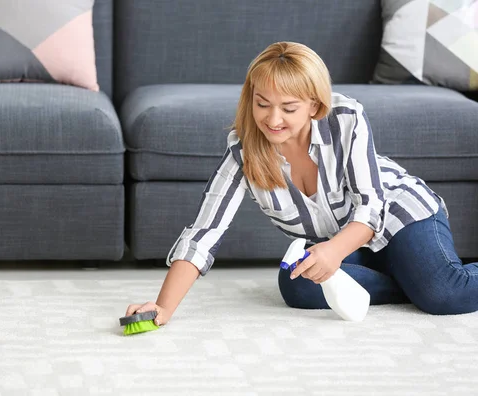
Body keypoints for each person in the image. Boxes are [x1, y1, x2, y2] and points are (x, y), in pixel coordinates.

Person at [125, 41, 478, 326]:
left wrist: (335, 251)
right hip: (343, 243)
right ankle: (411, 278)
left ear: (314, 105)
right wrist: (162, 306)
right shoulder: (243, 151)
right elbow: (204, 232)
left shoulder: (345, 118)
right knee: (296, 286)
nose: (272, 119)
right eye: (262, 104)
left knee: (444, 295)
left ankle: (423, 281)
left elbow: (372, 207)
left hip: (400, 215)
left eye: (288, 108)